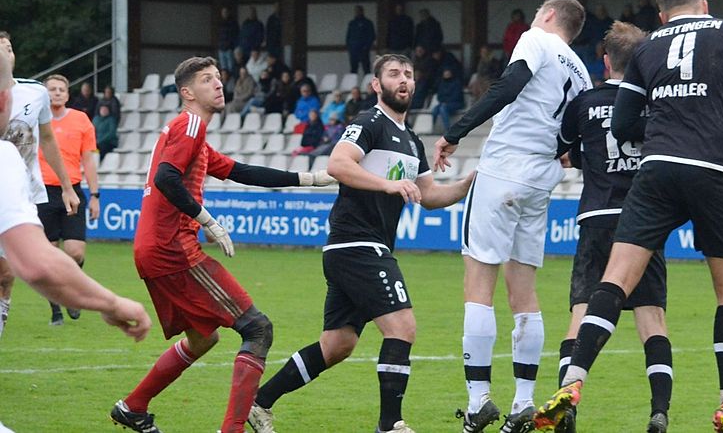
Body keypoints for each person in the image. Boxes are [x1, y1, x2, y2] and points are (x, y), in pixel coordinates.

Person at [533, 0, 723, 433]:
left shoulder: (647, 46)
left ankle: (574, 381)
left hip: (658, 170)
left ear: (661, 16)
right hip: (716, 168)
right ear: (704, 5)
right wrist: (716, 133)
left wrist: (665, 127)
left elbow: (622, 124)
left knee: (615, 278)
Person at [109, 56, 337, 433]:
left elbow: (241, 172)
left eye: (218, 77)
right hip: (173, 249)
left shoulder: (189, 134)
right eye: (206, 79)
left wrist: (310, 178)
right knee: (258, 328)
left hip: (153, 249)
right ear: (187, 93)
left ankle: (133, 406)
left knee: (202, 339)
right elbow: (167, 179)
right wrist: (208, 221)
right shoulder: (191, 123)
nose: (218, 84)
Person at [248, 54, 473, 433]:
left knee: (337, 345)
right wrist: (387, 184)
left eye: (408, 74)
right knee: (403, 326)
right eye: (394, 74)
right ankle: (390, 425)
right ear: (376, 85)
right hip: (357, 245)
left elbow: (429, 195)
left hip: (362, 248)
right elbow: (338, 165)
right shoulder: (369, 122)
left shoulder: (412, 140)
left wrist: (472, 183)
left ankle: (259, 403)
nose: (403, 80)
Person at [432, 0, 591, 433]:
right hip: (540, 180)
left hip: (504, 168)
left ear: (550, 15)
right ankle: (524, 403)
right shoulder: (580, 70)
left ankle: (479, 398)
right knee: (524, 289)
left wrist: (454, 132)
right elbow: (574, 135)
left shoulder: (535, 39)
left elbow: (508, 87)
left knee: (478, 280)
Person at [0, 38, 151, 431]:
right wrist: (112, 303)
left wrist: (73, 187)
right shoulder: (4, 161)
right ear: (5, 104)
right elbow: (39, 264)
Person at [554, 21, 672, 433]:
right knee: (651, 318)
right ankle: (659, 411)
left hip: (596, 216)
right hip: (642, 218)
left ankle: (566, 403)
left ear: (605, 61)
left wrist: (583, 158)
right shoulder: (655, 105)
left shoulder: (585, 102)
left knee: (582, 312)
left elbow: (564, 147)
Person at [0, 32, 81, 340]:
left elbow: (47, 139)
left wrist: (67, 186)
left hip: (21, 198)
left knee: (7, 275)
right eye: (0, 49)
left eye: (9, 47)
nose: (6, 52)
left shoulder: (35, 93)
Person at [38, 74, 101, 325]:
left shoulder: (81, 120)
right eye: (51, 89)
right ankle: (55, 309)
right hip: (42, 193)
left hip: (72, 191)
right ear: (44, 94)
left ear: (67, 93)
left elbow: (89, 160)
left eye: (61, 89)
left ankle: (70, 296)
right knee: (49, 255)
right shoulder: (35, 122)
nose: (56, 93)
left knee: (75, 251)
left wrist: (95, 195)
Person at [432, 67, 465, 132]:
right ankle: (434, 129)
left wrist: (446, 102)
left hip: (456, 103)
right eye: (445, 73)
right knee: (434, 110)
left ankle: (448, 130)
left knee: (443, 109)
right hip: (444, 103)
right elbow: (439, 96)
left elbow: (457, 96)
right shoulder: (442, 83)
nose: (446, 75)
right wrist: (443, 102)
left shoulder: (456, 83)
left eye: (448, 73)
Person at [346, 5, 376, 74]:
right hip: (354, 50)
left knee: (366, 69)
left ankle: (367, 84)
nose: (357, 12)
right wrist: (349, 46)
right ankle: (352, 84)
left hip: (363, 50)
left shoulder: (367, 23)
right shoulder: (352, 23)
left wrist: (366, 47)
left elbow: (372, 36)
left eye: (358, 11)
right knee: (353, 69)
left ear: (362, 11)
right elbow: (348, 36)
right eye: (356, 11)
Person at [218, 7, 239, 73]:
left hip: (229, 48)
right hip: (221, 47)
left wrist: (232, 45)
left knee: (231, 68)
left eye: (226, 12)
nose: (224, 14)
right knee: (223, 68)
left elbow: (235, 35)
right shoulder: (220, 23)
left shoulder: (233, 23)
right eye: (223, 12)